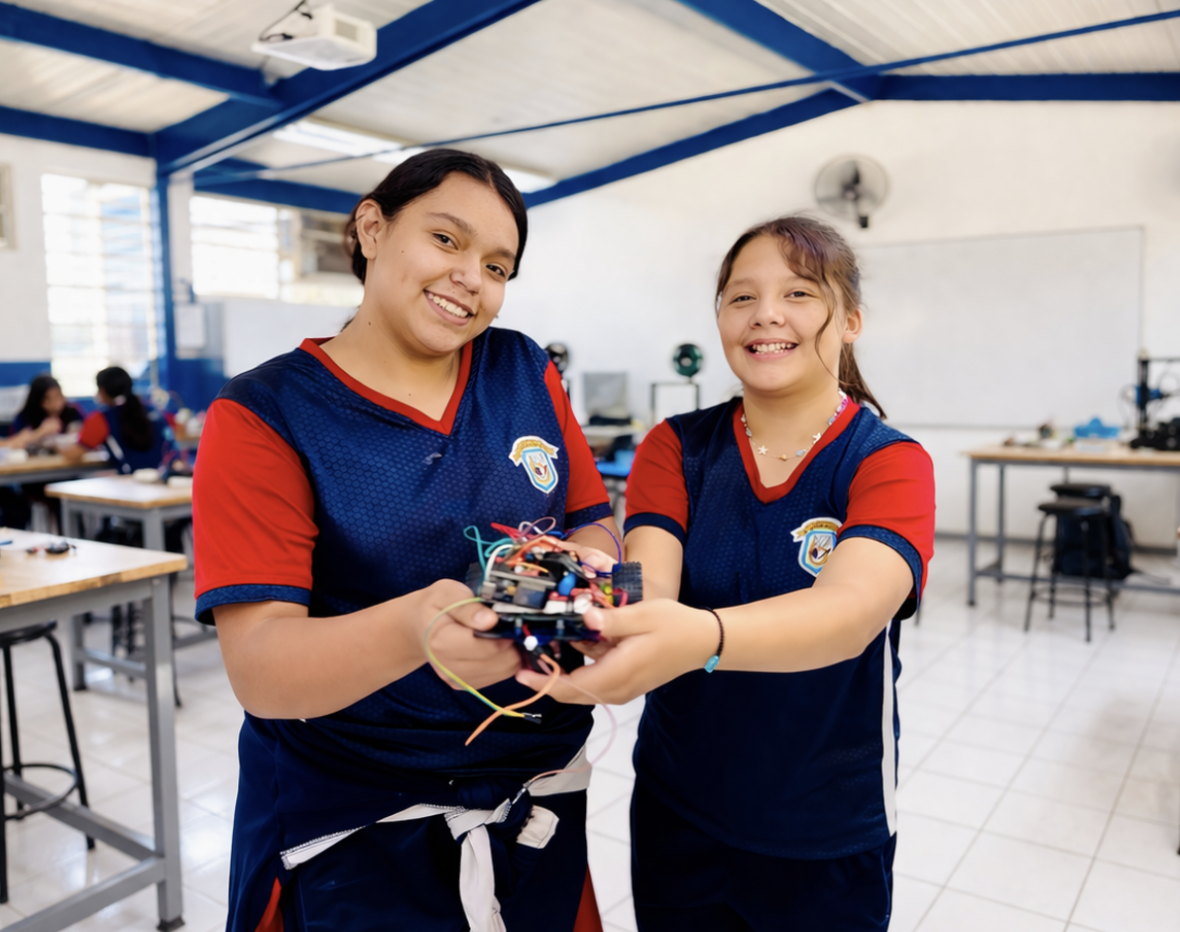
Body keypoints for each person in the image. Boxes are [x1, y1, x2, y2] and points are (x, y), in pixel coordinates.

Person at [192, 149, 619, 932]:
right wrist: (420, 630)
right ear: (372, 226)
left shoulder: (522, 368)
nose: (471, 278)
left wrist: (581, 583)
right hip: (359, 822)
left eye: (498, 265)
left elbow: (591, 518)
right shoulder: (266, 414)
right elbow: (260, 667)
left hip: (534, 791)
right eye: (447, 240)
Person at [519, 216, 936, 931]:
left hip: (826, 825)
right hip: (681, 808)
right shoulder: (675, 446)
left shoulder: (887, 461)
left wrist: (699, 638)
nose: (766, 314)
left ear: (852, 320)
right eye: (741, 297)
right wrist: (554, 596)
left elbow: (849, 614)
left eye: (799, 293)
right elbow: (646, 591)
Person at [62, 366, 167, 472]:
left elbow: (73, 454)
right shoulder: (154, 411)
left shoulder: (101, 418)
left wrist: (54, 442)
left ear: (102, 390)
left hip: (130, 481)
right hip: (161, 478)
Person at [12, 373, 84, 439]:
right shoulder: (25, 417)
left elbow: (87, 431)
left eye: (59, 396)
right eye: (48, 399)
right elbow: (13, 442)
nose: (58, 402)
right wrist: (41, 431)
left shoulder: (72, 411)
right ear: (38, 401)